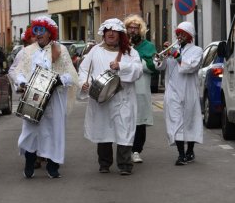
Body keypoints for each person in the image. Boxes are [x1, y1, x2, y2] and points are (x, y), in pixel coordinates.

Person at [14, 16, 78, 178]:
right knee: (30, 131)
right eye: (36, 30)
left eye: (42, 31)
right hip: (33, 97)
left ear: (50, 33)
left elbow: (71, 74)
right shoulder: (27, 51)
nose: (38, 34)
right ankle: (29, 161)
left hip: (55, 98)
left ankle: (53, 166)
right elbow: (19, 72)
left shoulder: (60, 50)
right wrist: (21, 83)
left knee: (54, 131)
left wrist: (59, 80)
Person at [79, 18, 143, 175]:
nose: (111, 33)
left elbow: (138, 70)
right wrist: (84, 83)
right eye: (108, 31)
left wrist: (121, 65)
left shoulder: (130, 52)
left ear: (120, 34)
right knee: (103, 130)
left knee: (124, 130)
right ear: (104, 33)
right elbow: (83, 69)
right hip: (101, 99)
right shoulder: (95, 51)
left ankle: (125, 164)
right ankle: (104, 163)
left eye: (114, 31)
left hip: (123, 99)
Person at [153, 21, 203, 166]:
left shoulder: (197, 50)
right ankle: (181, 154)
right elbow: (159, 67)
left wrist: (176, 55)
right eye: (178, 33)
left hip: (188, 91)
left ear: (189, 36)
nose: (179, 36)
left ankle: (190, 151)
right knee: (176, 121)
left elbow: (191, 67)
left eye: (183, 34)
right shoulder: (172, 49)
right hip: (173, 91)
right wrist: (162, 57)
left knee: (190, 121)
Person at [124, 14, 157, 164]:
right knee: (125, 119)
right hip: (124, 88)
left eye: (135, 28)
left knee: (139, 121)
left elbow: (154, 66)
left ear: (140, 30)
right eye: (130, 28)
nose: (132, 31)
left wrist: (138, 63)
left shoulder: (148, 46)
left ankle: (136, 150)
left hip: (140, 88)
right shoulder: (122, 45)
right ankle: (125, 149)